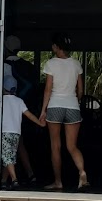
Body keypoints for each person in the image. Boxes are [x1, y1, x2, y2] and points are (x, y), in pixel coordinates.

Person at [40, 37, 89, 191]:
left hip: (55, 106)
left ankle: (58, 182)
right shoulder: (76, 64)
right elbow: (80, 90)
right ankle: (82, 172)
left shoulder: (51, 63)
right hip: (72, 106)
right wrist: (76, 101)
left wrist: (43, 110)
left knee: (56, 146)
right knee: (72, 146)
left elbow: (48, 89)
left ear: (56, 46)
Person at [0, 83, 44, 189]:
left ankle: (14, 180)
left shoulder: (1, 100)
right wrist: (40, 123)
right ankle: (3, 181)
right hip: (16, 133)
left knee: (7, 157)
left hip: (5, 131)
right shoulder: (19, 101)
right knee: (10, 156)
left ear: (3, 88)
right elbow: (29, 115)